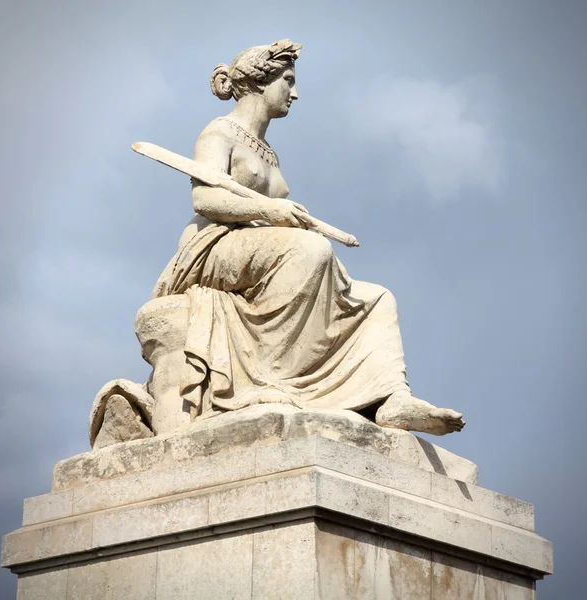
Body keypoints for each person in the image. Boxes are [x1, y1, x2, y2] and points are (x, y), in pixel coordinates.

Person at [153, 39, 464, 436]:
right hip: (214, 246)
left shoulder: (267, 152)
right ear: (261, 82)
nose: (295, 93)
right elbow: (205, 196)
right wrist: (272, 211)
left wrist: (281, 219)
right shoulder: (219, 132)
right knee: (312, 248)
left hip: (265, 248)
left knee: (376, 298)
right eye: (288, 80)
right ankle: (271, 379)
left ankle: (391, 397)